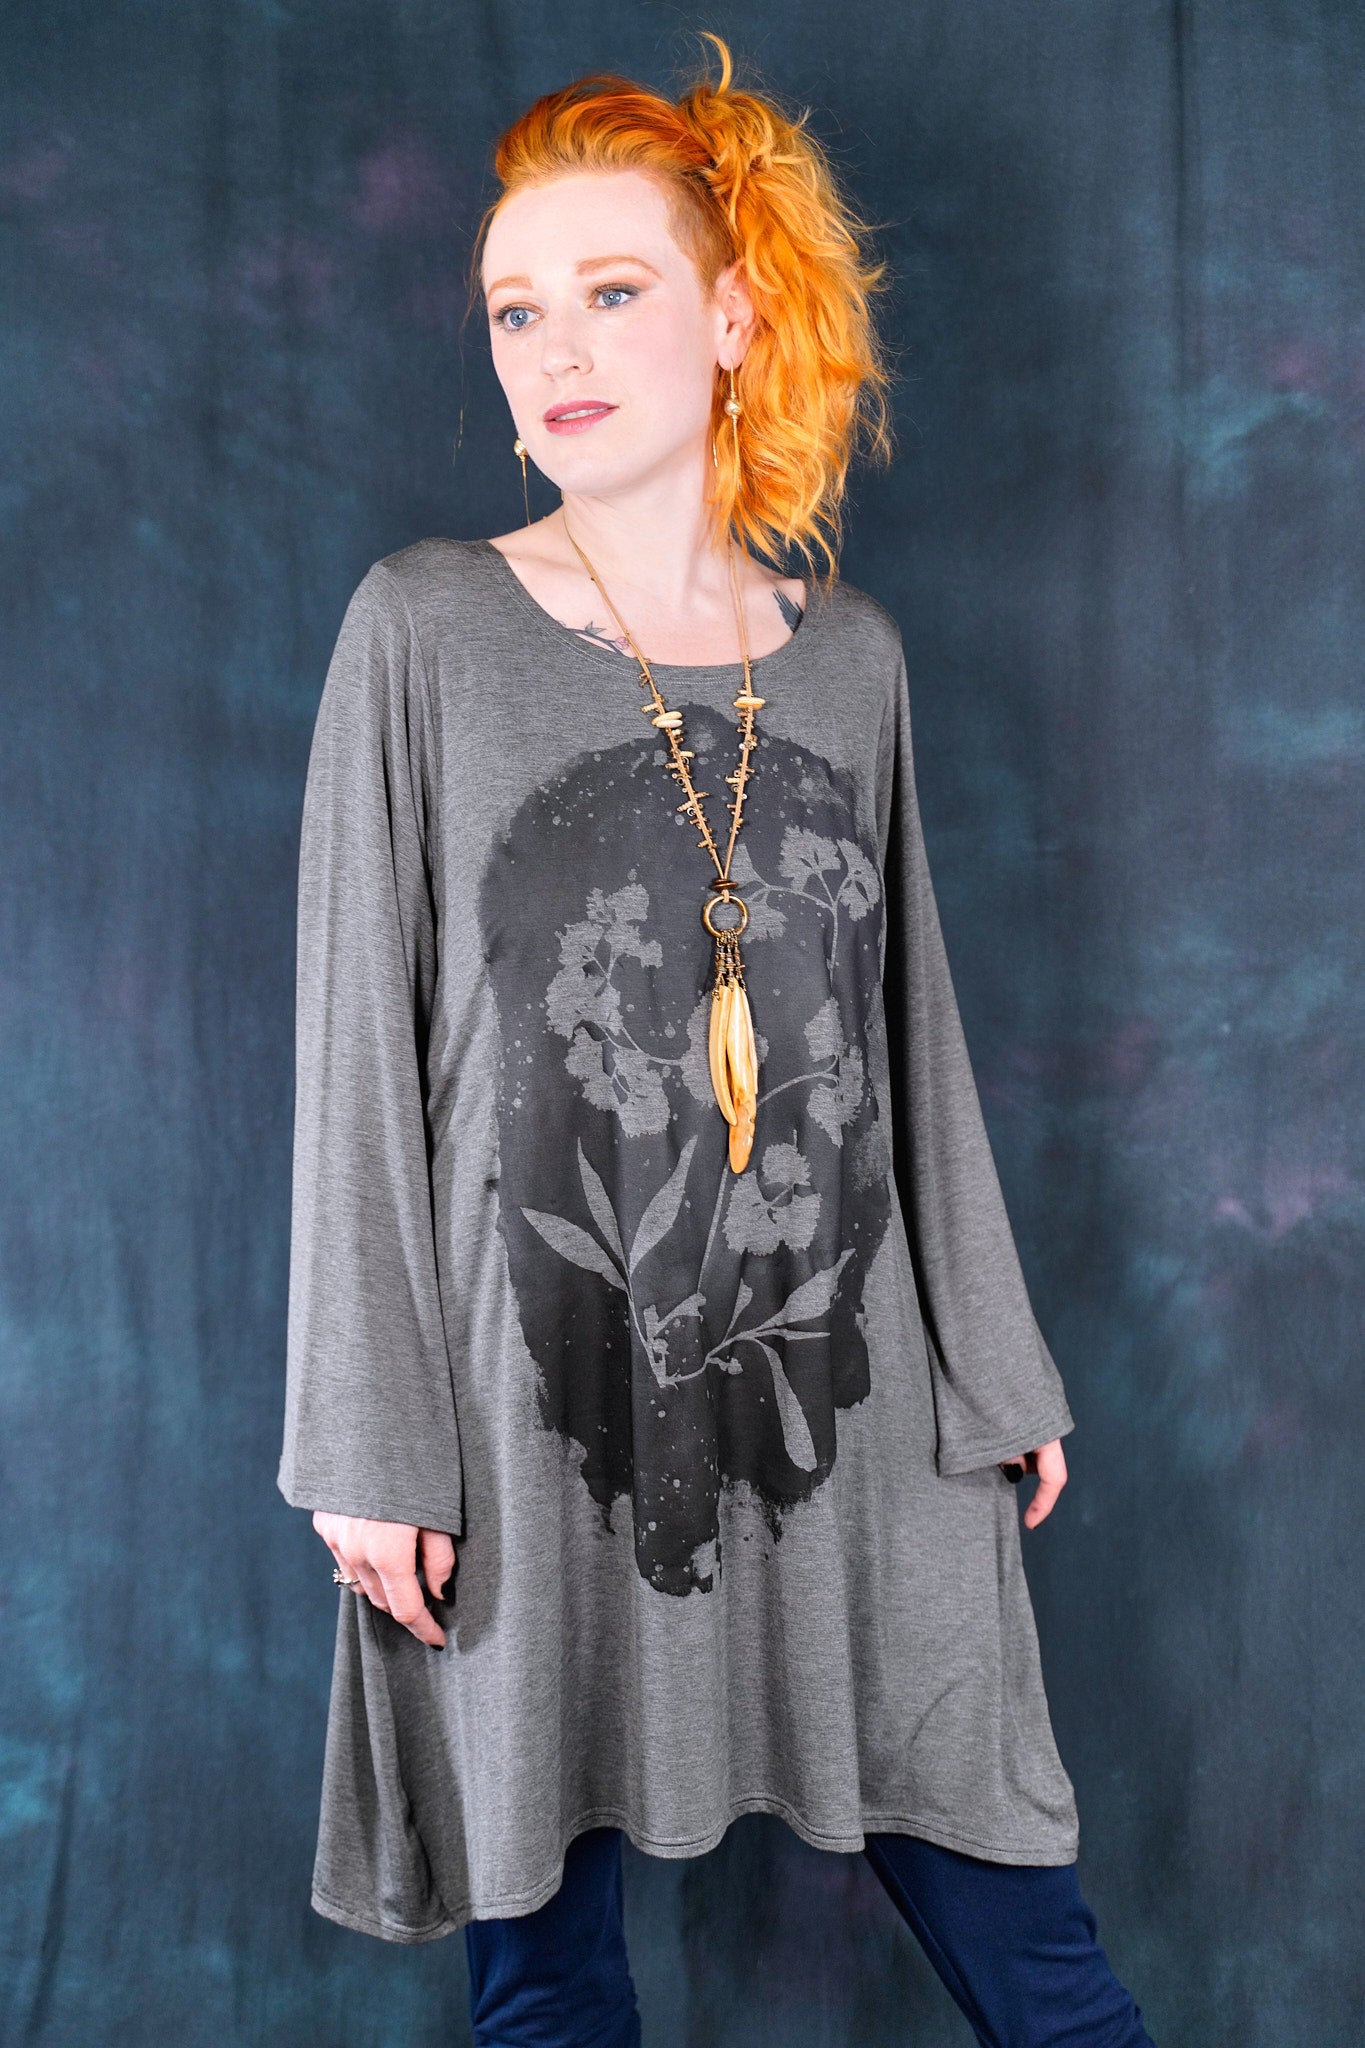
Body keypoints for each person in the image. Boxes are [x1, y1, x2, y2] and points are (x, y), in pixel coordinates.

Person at [278, 33, 1157, 2048]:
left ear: (737, 316)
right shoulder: (420, 626)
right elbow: (353, 1061)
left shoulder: (848, 662)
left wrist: (991, 1361)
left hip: (838, 1375)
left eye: (611, 291)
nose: (553, 350)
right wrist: (368, 1444)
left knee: (1039, 1961)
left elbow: (906, 1034)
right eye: (515, 308)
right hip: (528, 1388)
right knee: (547, 1979)